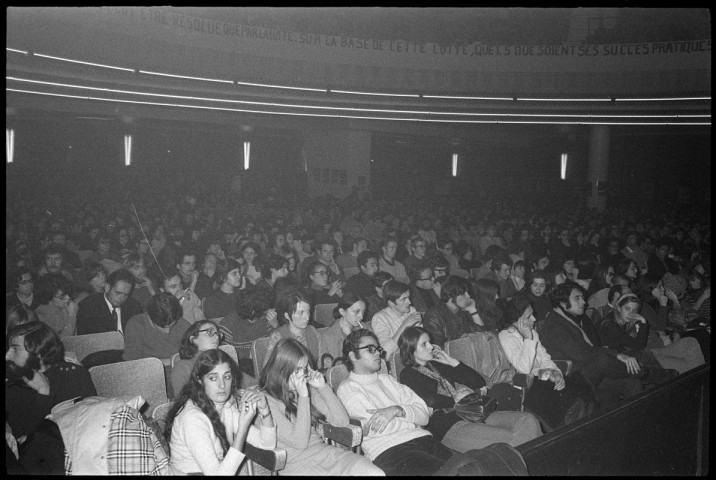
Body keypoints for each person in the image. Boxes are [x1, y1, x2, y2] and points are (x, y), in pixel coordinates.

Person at [399, 326, 542, 451]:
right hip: (449, 425)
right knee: (510, 440)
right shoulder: (408, 374)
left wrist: (452, 362)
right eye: (424, 344)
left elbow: (478, 382)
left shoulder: (438, 365)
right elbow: (427, 399)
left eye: (429, 342)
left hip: (474, 412)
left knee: (528, 420)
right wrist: (455, 400)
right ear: (411, 350)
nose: (431, 346)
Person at [259, 338, 384, 476]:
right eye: (297, 370)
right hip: (297, 466)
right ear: (282, 370)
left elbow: (342, 421)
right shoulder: (267, 401)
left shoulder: (307, 390)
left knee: (374, 472)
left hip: (326, 454)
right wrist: (303, 397)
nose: (303, 374)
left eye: (305, 368)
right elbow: (300, 442)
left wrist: (323, 387)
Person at [337, 329, 453, 476]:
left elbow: (423, 415)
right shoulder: (348, 388)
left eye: (377, 349)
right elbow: (376, 428)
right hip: (390, 451)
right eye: (371, 349)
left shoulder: (388, 380)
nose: (378, 353)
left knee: (469, 467)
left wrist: (397, 410)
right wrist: (411, 419)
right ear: (353, 356)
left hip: (424, 439)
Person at [165, 349, 277, 475]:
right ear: (200, 380)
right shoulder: (193, 418)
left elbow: (267, 444)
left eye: (227, 377)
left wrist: (265, 411)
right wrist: (242, 429)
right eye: (213, 378)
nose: (222, 385)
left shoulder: (226, 407)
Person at [538, 283, 644, 409]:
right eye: (577, 298)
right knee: (603, 360)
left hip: (590, 371)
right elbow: (581, 354)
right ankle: (644, 372)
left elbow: (595, 345)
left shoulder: (576, 317)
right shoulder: (554, 324)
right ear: (562, 302)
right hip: (572, 376)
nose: (583, 302)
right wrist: (617, 355)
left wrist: (616, 355)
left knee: (633, 383)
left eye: (582, 297)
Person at [499, 296, 595, 430]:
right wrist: (528, 339)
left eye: (532, 314)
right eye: (528, 317)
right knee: (568, 401)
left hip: (544, 376)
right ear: (517, 321)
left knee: (582, 386)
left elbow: (545, 358)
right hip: (527, 383)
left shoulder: (533, 332)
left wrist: (555, 373)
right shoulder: (506, 336)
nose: (534, 319)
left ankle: (581, 428)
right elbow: (524, 369)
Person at [6, 321, 97, 440]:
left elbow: (90, 423)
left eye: (15, 349)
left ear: (38, 352)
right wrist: (43, 393)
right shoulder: (12, 385)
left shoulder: (74, 375)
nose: (7, 355)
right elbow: (24, 440)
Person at [597, 293, 703, 374]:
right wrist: (643, 321)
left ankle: (702, 381)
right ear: (618, 307)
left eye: (634, 310)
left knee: (691, 342)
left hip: (646, 352)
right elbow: (639, 345)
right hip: (635, 359)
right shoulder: (610, 325)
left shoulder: (623, 319)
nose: (630, 313)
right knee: (685, 366)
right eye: (627, 309)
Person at [122, 292, 191, 364]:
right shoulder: (136, 324)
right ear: (150, 317)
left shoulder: (181, 323)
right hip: (150, 371)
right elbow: (132, 359)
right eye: (163, 327)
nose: (167, 331)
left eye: (172, 326)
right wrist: (171, 361)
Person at [76, 268, 143, 335]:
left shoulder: (134, 306)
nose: (121, 298)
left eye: (126, 295)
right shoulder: (88, 307)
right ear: (107, 287)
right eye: (118, 293)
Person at [263, 290, 320, 368]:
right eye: (301, 313)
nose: (307, 317)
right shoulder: (278, 337)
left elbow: (320, 361)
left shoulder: (312, 331)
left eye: (308, 312)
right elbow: (268, 369)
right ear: (287, 316)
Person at [371, 279, 423, 360]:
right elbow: (385, 354)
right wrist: (405, 326)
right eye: (404, 299)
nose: (409, 302)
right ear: (391, 303)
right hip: (399, 363)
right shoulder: (380, 318)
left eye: (408, 297)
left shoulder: (411, 310)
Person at [171, 320, 224, 397]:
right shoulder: (182, 367)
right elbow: (182, 400)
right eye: (210, 332)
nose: (216, 337)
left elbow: (245, 380)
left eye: (218, 334)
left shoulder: (222, 360)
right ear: (194, 339)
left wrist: (248, 390)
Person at [422, 275, 477, 348]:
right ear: (450, 295)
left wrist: (473, 310)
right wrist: (460, 342)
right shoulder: (434, 315)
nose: (468, 296)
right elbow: (438, 347)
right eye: (463, 293)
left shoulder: (465, 309)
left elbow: (483, 336)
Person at [319, 293, 367, 361]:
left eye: (363, 312)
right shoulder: (327, 337)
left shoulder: (365, 328)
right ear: (342, 312)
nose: (361, 316)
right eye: (356, 312)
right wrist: (350, 337)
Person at [33, 273, 78, 339]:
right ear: (49, 298)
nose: (68, 298)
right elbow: (63, 342)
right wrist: (72, 316)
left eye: (67, 294)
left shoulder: (63, 307)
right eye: (62, 297)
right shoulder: (41, 315)